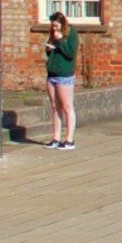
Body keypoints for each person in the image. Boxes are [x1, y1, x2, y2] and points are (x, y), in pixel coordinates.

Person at [41, 12, 80, 148]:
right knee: (55, 107)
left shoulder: (71, 34)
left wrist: (61, 40)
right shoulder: (52, 34)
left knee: (67, 107)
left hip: (64, 75)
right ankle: (56, 138)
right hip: (52, 74)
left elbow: (70, 53)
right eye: (52, 26)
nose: (54, 29)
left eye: (56, 26)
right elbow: (50, 51)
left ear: (62, 24)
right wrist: (49, 48)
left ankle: (69, 139)